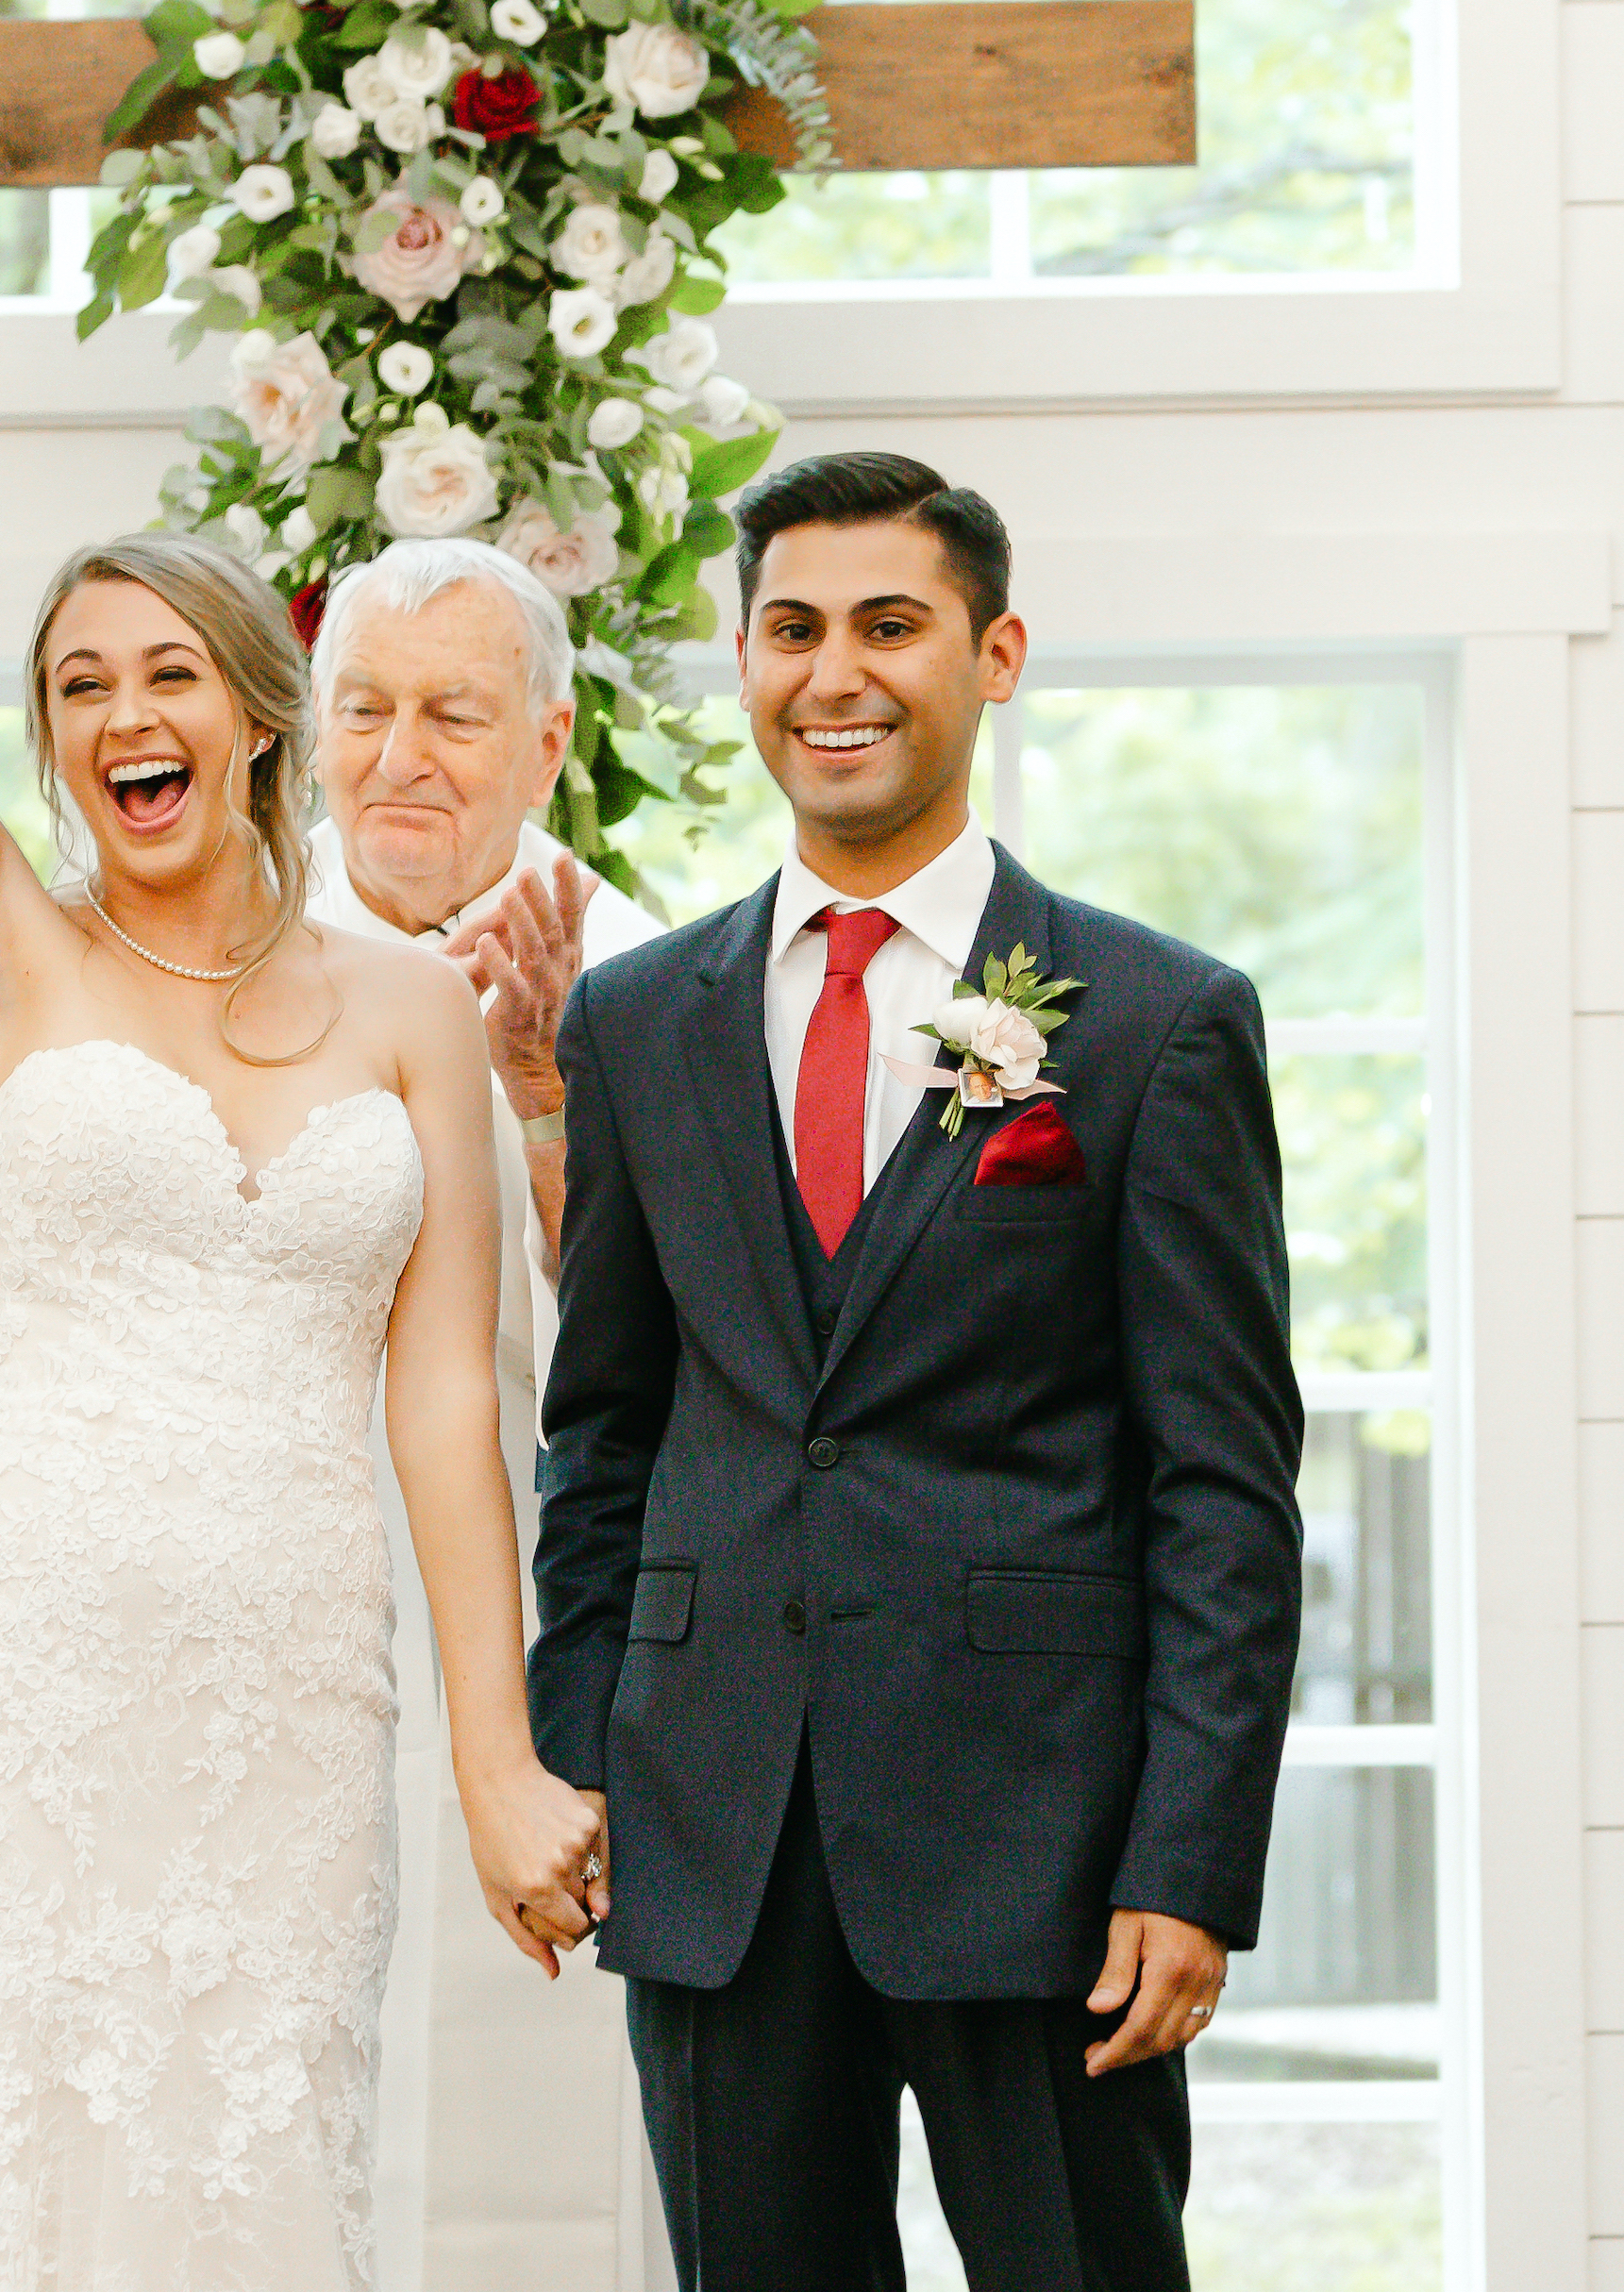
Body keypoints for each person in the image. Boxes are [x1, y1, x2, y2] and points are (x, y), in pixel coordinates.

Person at [0, 28, 606, 2289]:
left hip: (284, 1692)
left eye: (165, 674)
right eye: (75, 685)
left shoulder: (412, 1009)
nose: (118, 718)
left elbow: (442, 1413)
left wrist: (497, 1759)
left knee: (231, 2190)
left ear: (256, 713)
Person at [527, 451, 1305, 2290]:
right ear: (740, 664)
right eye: (790, 629)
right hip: (711, 1838)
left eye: (889, 625)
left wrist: (1185, 1858)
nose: (834, 673)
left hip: (1043, 1847)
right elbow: (604, 1434)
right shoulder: (633, 1024)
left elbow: (1220, 1485)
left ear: (993, 652)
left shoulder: (1149, 1024)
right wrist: (576, 1762)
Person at [302, 541, 659, 2276]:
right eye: (364, 709)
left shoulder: (661, 986)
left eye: (455, 712)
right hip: (285, 1612)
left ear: (550, 739)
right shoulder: (231, 969)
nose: (401, 756)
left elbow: (678, 1359)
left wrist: (545, 1099)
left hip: (563, 1631)